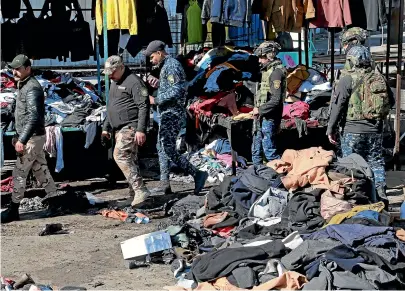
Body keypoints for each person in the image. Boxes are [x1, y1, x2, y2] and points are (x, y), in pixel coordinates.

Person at [327, 45, 394, 204]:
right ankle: (381, 195)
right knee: (376, 162)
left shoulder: (347, 79)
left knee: (353, 165)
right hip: (375, 130)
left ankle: (358, 197)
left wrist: (331, 128)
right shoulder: (379, 78)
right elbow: (391, 101)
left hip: (352, 130)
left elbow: (338, 106)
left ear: (352, 61)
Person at [144, 40, 208, 195]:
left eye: (152, 57)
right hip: (167, 113)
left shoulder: (171, 65)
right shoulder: (166, 66)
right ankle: (165, 182)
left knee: (168, 149)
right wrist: (159, 84)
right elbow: (172, 86)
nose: (152, 61)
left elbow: (178, 90)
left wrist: (156, 99)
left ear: (159, 53)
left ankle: (197, 174)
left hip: (172, 113)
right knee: (162, 147)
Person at [1, 55, 58, 223]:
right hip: (32, 137)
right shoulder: (24, 85)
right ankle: (55, 202)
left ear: (28, 68)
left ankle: (13, 209)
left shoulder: (32, 88)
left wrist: (22, 140)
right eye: (13, 68)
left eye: (18, 69)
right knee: (41, 169)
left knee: (19, 172)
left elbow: (33, 117)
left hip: (32, 138)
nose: (14, 72)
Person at [101, 55, 151, 207]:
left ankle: (140, 189)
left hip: (130, 126)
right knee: (131, 160)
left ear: (121, 67)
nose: (110, 75)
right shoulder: (114, 82)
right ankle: (135, 194)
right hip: (118, 127)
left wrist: (141, 129)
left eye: (112, 71)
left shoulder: (134, 82)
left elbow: (144, 105)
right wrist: (106, 128)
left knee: (120, 155)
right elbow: (111, 107)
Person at [251, 41, 287, 166]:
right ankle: (256, 173)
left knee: (269, 151)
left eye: (262, 57)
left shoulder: (276, 73)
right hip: (262, 116)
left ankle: (280, 175)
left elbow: (276, 100)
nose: (260, 61)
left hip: (269, 117)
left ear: (270, 56)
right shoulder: (268, 71)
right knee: (256, 148)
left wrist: (259, 110)